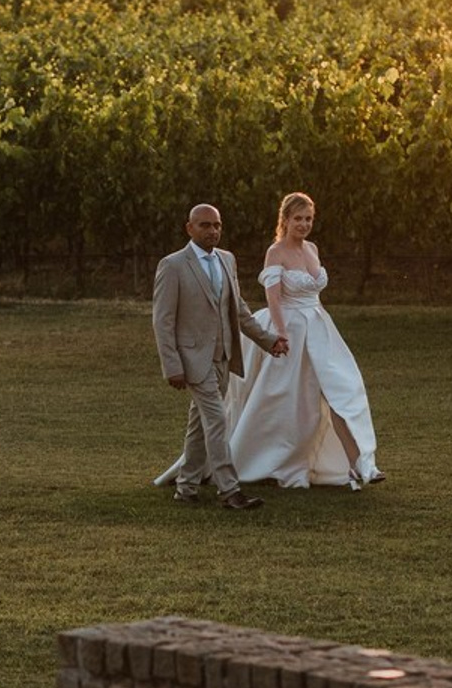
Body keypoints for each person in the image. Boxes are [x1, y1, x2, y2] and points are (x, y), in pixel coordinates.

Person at [154, 192, 384, 491]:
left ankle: (360, 464)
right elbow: (272, 299)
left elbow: (267, 304)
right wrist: (279, 334)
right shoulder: (272, 253)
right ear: (285, 220)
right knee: (267, 404)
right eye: (298, 218)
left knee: (342, 391)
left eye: (309, 219)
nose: (304, 224)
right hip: (282, 331)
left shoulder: (304, 249)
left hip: (318, 329)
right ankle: (231, 478)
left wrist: (315, 325)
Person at [151, 203, 288, 510]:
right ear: (189, 228)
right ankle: (229, 491)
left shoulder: (227, 259)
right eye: (205, 225)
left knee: (200, 425)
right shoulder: (172, 265)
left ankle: (186, 487)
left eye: (217, 225)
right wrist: (172, 366)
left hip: (223, 357)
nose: (212, 231)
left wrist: (268, 341)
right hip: (193, 360)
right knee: (216, 419)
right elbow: (162, 321)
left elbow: (238, 310)